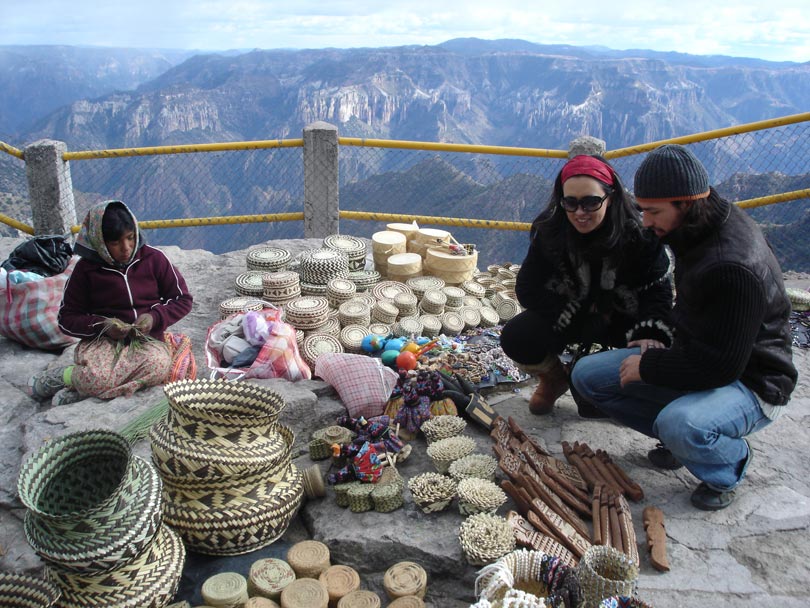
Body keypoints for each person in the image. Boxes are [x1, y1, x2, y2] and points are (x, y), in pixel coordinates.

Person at [570, 144, 798, 510]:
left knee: (682, 424)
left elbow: (723, 365)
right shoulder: (698, 228)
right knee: (587, 376)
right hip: (706, 354)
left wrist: (650, 367)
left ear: (686, 203)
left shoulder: (730, 265)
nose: (645, 221)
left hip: (755, 382)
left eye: (653, 211)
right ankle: (682, 440)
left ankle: (728, 462)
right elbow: (695, 313)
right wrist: (658, 336)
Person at [500, 154, 674, 415]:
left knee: (657, 344)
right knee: (517, 337)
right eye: (570, 203)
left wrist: (650, 332)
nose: (580, 213)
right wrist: (576, 309)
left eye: (591, 202)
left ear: (610, 197)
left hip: (623, 317)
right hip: (568, 314)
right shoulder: (550, 232)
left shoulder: (639, 235)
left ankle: (616, 389)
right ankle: (554, 379)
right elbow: (527, 288)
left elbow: (657, 291)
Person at [28, 200, 193, 405]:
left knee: (159, 366)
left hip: (145, 340)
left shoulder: (154, 259)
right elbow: (66, 319)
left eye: (131, 238)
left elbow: (182, 299)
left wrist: (154, 317)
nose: (126, 248)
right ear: (99, 241)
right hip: (102, 342)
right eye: (115, 243)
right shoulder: (86, 270)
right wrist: (103, 325)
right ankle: (67, 377)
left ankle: (83, 388)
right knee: (95, 376)